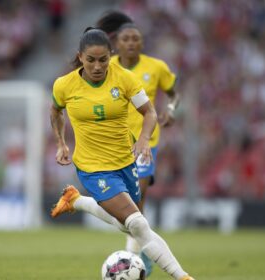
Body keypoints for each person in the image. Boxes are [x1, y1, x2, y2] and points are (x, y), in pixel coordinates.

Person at [50, 28, 194, 280]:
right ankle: (183, 276)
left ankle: (77, 201)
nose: (97, 66)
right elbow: (55, 112)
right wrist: (62, 143)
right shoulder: (64, 85)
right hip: (92, 167)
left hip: (126, 162)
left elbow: (149, 113)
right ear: (80, 57)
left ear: (110, 56)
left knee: (130, 225)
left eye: (103, 60)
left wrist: (144, 140)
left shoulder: (124, 79)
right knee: (138, 223)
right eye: (91, 60)